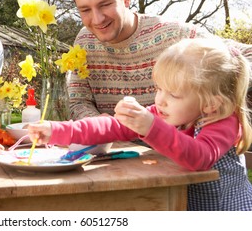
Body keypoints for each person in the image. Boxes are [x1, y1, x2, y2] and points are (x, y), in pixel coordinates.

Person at [28, 38, 252, 210]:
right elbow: (111, 127)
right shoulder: (166, 113)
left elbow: (199, 157)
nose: (160, 100)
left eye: (173, 94)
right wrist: (56, 130)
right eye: (159, 89)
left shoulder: (223, 121)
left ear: (212, 104)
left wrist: (151, 127)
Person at [67, 0, 252, 120]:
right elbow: (78, 101)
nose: (97, 18)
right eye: (85, 10)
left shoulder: (173, 35)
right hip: (114, 151)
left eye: (105, 4)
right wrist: (95, 122)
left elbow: (242, 56)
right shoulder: (84, 42)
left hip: (178, 151)